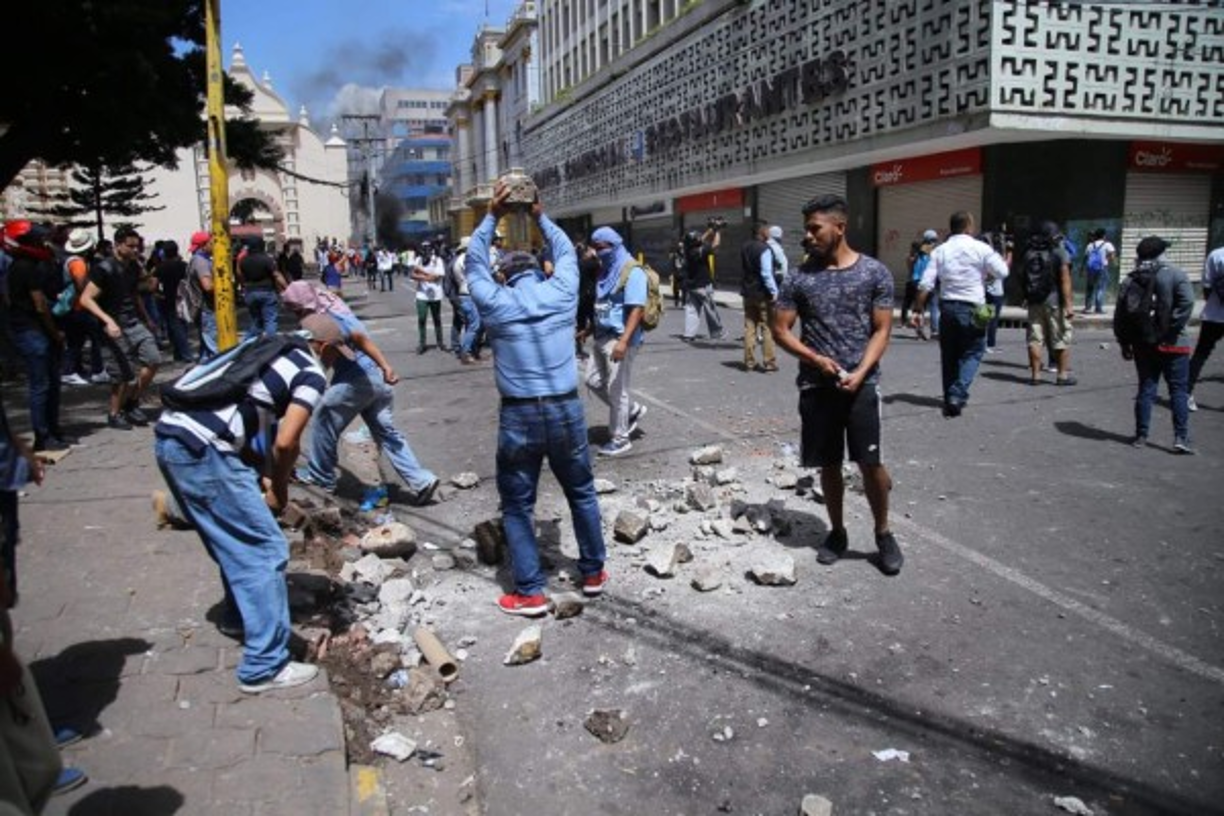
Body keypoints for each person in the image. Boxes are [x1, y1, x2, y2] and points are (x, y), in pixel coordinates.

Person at [153, 328, 329, 692]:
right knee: (265, 550)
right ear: (324, 347)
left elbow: (243, 418)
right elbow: (286, 442)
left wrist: (261, 474)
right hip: (205, 452)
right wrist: (278, 487)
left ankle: (239, 617)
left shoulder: (260, 347)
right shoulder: (310, 371)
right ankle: (264, 666)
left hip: (171, 438)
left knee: (233, 543)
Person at [465, 181, 608, 617]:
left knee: (517, 505)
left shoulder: (494, 300)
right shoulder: (561, 290)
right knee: (581, 490)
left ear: (504, 273)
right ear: (540, 268)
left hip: (521, 415)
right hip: (565, 406)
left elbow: (473, 260)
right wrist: (540, 215)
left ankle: (529, 592)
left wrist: (494, 215)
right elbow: (566, 251)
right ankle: (593, 573)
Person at [771, 194, 902, 576]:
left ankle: (883, 533)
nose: (808, 237)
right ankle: (838, 532)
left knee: (870, 462)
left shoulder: (874, 273)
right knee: (828, 464)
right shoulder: (798, 277)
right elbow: (780, 330)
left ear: (839, 227)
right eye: (806, 229)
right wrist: (815, 360)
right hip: (816, 387)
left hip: (861, 385)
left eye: (815, 228)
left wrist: (861, 371)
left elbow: (882, 330)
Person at [282, 282, 440, 505]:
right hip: (374, 379)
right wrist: (384, 367)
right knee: (386, 432)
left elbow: (357, 339)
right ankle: (421, 480)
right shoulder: (334, 309)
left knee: (323, 418)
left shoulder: (325, 318)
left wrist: (384, 366)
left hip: (358, 378)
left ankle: (320, 476)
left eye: (294, 308)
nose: (294, 313)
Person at [911, 212, 1009, 417]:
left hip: (947, 308)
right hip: (976, 308)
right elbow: (1003, 272)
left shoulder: (940, 250)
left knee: (949, 354)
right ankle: (957, 393)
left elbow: (926, 283)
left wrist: (918, 309)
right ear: (969, 227)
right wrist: (986, 274)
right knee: (974, 350)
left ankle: (949, 397)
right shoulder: (981, 248)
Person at [1114, 236, 1196, 453]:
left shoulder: (1131, 278)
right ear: (1162, 253)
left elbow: (1120, 314)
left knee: (1146, 388)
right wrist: (1170, 328)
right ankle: (1181, 437)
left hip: (1143, 343)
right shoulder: (1176, 274)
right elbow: (1187, 302)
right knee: (1178, 390)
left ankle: (1141, 436)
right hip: (1174, 343)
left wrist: (1124, 342)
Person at [78, 226, 161, 430]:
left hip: (133, 322)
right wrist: (108, 320)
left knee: (153, 359)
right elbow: (86, 299)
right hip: (112, 326)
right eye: (130, 246)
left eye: (137, 246)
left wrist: (147, 318)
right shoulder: (104, 268)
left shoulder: (133, 266)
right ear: (117, 245)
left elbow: (136, 294)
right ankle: (114, 413)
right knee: (122, 374)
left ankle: (132, 402)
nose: (135, 250)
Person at [3, 222, 69, 451]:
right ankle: (43, 435)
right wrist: (55, 333)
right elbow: (40, 305)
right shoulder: (24, 267)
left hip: (36, 330)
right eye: (38, 241)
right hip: (32, 331)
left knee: (51, 383)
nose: (43, 244)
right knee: (41, 385)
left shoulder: (31, 264)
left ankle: (52, 429)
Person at [586, 226, 649, 457]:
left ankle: (620, 438)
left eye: (601, 247)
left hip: (621, 338)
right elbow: (603, 304)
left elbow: (636, 309)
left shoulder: (632, 271)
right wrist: (588, 329)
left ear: (613, 245)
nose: (598, 252)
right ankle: (631, 411)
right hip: (602, 335)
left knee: (617, 389)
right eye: (596, 248)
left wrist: (623, 341)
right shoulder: (606, 271)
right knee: (592, 380)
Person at [1023, 221, 1076, 386]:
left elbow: (1022, 277)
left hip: (1034, 301)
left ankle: (1036, 376)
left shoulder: (1028, 254)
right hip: (1054, 302)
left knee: (1034, 338)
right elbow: (1065, 280)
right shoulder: (1060, 253)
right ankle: (1062, 376)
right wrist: (1069, 306)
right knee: (1060, 337)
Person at [1187, 244, 1223, 412]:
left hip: (1214, 315)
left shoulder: (1216, 255)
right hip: (1214, 314)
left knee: (1201, 354)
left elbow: (1207, 287)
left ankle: (1185, 393)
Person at [741, 220, 779, 372]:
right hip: (762, 294)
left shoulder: (745, 246)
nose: (769, 232)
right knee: (767, 327)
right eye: (768, 230)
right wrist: (774, 291)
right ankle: (769, 362)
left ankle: (749, 362)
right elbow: (766, 273)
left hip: (748, 292)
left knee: (749, 328)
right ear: (762, 231)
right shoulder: (765, 249)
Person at [679, 227, 725, 341]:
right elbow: (715, 245)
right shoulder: (700, 251)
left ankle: (689, 334)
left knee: (692, 310)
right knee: (710, 309)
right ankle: (717, 332)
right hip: (703, 285)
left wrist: (709, 231)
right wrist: (717, 231)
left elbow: (696, 241)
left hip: (691, 286)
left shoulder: (687, 250)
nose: (701, 238)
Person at [154, 240, 193, 362]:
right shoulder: (185, 265)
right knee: (182, 326)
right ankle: (179, 354)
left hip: (168, 300)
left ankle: (185, 355)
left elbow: (153, 285)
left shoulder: (160, 267)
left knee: (175, 328)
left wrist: (157, 294)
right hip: (184, 299)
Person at [237, 238, 283, 338]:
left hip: (250, 292)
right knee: (270, 320)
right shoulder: (267, 259)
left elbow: (239, 275)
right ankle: (271, 344)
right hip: (266, 291)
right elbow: (276, 275)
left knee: (256, 321)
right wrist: (286, 287)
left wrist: (244, 286)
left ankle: (248, 343)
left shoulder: (243, 261)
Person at [186, 231, 219, 361]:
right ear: (203, 245)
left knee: (206, 348)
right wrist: (224, 285)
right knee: (214, 347)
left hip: (205, 308)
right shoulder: (201, 262)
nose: (215, 245)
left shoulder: (198, 259)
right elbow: (208, 286)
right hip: (207, 309)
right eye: (212, 243)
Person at [410, 241, 447, 354]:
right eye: (423, 248)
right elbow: (412, 274)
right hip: (422, 294)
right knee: (422, 318)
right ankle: (422, 344)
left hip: (435, 294)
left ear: (432, 249)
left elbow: (437, 276)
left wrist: (420, 272)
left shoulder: (437, 260)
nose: (425, 250)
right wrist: (427, 277)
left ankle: (440, 342)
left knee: (437, 318)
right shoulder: (418, 260)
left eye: (427, 248)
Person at [1082, 228, 1116, 314]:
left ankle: (1088, 308)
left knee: (1090, 288)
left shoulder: (1090, 245)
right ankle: (1098, 308)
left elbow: (1085, 258)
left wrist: (1082, 269)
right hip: (1102, 268)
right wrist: (1107, 260)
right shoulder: (1107, 244)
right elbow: (1112, 256)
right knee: (1100, 288)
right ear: (1104, 235)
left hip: (1090, 269)